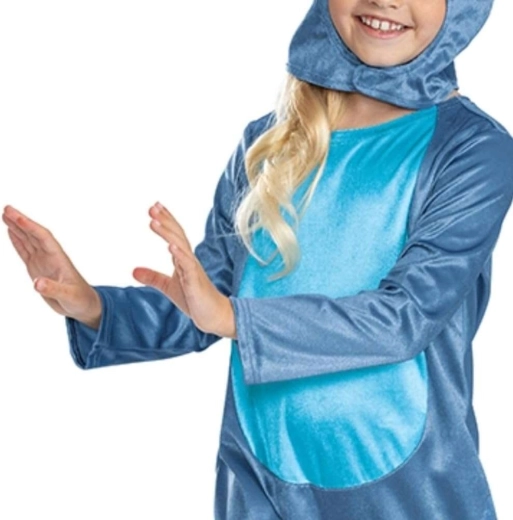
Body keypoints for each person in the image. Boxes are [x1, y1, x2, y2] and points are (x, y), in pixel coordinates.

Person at [3, 0, 512, 518]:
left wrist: (233, 318)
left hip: (408, 492)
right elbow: (205, 303)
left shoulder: (472, 150)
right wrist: (93, 306)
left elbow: (405, 317)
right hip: (262, 482)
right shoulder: (270, 144)